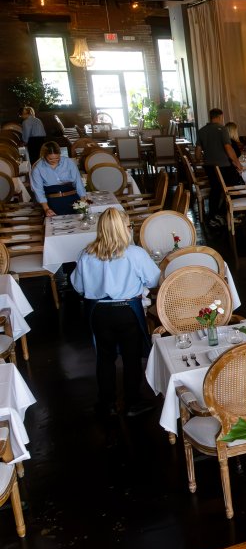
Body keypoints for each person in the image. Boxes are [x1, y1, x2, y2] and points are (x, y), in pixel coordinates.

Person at [70, 208, 160, 416]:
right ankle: (132, 403)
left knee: (104, 357)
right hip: (127, 310)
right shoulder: (134, 253)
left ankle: (107, 404)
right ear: (123, 229)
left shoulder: (86, 254)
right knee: (131, 358)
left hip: (98, 312)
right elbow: (154, 280)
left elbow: (78, 287)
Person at [197, 108, 244, 229]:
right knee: (237, 184)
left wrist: (201, 159)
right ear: (219, 117)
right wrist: (237, 162)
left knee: (215, 189)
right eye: (222, 118)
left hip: (209, 166)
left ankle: (214, 215)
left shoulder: (201, 131)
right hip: (223, 166)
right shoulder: (222, 129)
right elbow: (228, 148)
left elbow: (197, 151)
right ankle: (229, 212)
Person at [31, 141, 86, 216]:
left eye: (57, 158)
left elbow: (78, 182)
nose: (54, 161)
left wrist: (83, 201)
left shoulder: (68, 162)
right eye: (50, 159)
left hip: (72, 199)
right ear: (44, 156)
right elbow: (38, 190)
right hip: (53, 202)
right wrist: (46, 208)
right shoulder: (38, 168)